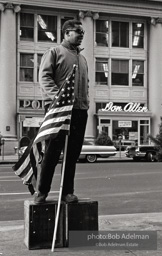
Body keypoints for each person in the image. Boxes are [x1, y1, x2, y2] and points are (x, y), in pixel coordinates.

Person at [35, 19, 89, 204]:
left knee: (72, 154)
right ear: (66, 33)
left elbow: (85, 84)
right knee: (52, 152)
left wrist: (85, 103)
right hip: (59, 109)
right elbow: (45, 78)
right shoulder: (54, 52)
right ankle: (41, 192)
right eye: (77, 31)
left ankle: (67, 192)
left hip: (80, 111)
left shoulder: (82, 59)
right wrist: (57, 99)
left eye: (83, 32)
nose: (81, 35)